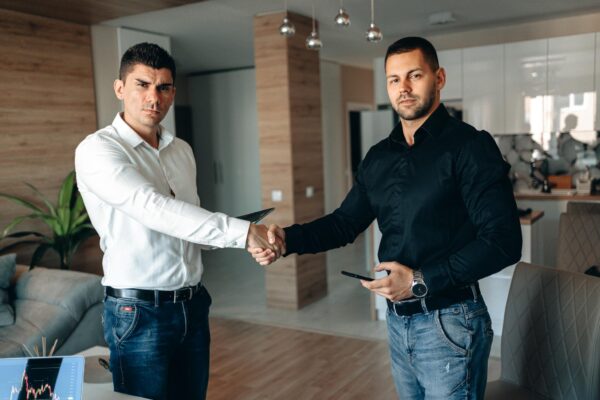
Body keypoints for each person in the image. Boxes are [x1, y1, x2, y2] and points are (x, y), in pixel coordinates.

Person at [249, 36, 522, 399]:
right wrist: (286, 239)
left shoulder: (469, 146)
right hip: (398, 321)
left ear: (438, 78)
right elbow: (344, 224)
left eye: (414, 76)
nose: (403, 88)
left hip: (450, 321)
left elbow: (503, 241)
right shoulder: (379, 157)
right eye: (394, 80)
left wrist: (420, 280)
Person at [75, 42, 281, 400]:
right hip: (138, 313)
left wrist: (248, 241)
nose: (154, 97)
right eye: (142, 84)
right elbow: (152, 207)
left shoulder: (181, 150)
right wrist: (243, 232)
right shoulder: (98, 150)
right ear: (120, 88)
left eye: (164, 87)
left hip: (193, 305)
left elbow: (190, 231)